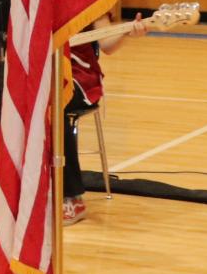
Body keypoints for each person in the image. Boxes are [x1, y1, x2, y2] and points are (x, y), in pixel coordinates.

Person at [63, 13, 146, 224]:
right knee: (6, 98)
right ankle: (2, 191)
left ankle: (70, 196)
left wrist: (128, 30)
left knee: (54, 102)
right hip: (36, 72)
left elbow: (107, 44)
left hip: (77, 76)